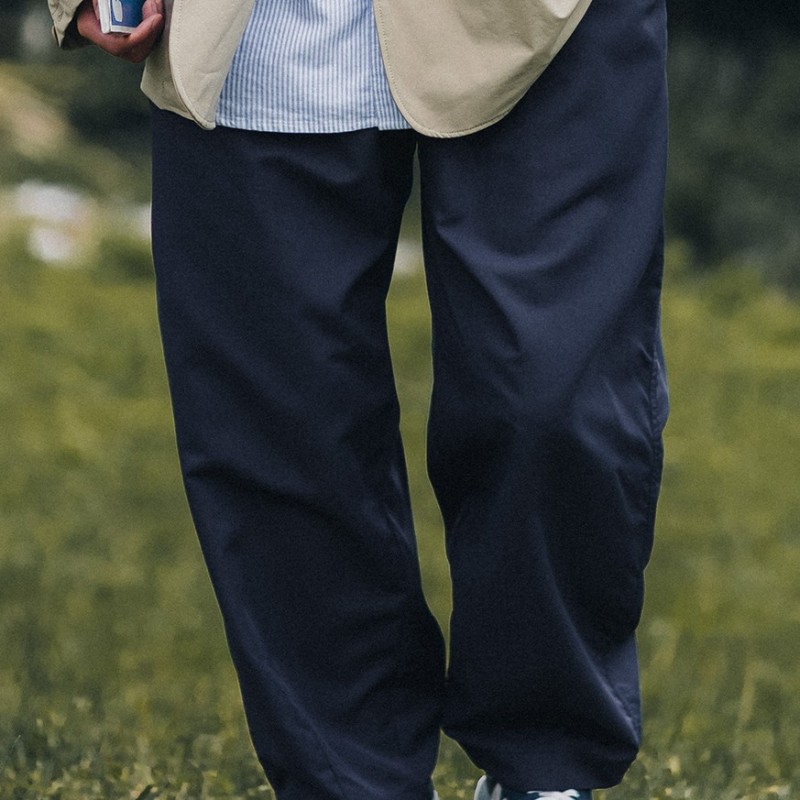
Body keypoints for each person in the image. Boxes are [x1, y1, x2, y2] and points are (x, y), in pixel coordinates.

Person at [49, 0, 669, 798]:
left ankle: (545, 768)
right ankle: (347, 781)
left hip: (552, 21)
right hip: (248, 28)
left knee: (550, 401)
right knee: (283, 431)